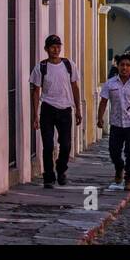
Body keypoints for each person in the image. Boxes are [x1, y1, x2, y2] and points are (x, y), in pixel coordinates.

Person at [29, 34, 81, 188]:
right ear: (46, 49)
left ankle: (61, 168)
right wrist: (35, 115)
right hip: (47, 109)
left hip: (65, 108)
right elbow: (36, 92)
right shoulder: (41, 67)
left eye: (58, 46)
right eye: (52, 47)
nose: (56, 49)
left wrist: (78, 109)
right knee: (48, 145)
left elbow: (75, 87)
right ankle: (49, 176)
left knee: (65, 145)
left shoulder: (69, 65)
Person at [97, 54, 130, 189]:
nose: (124, 68)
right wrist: (99, 118)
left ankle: (129, 179)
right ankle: (119, 167)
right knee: (114, 151)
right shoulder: (110, 84)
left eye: (127, 65)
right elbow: (103, 101)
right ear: (118, 66)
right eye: (122, 65)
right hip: (116, 124)